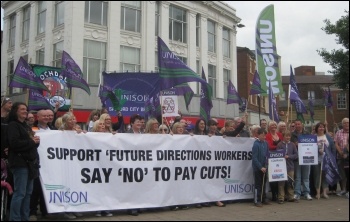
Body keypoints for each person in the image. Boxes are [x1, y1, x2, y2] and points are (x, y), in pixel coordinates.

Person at [7, 102, 40, 221]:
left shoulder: (26, 126)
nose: (25, 111)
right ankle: (15, 218)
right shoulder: (13, 125)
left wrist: (36, 141)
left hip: (30, 164)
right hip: (20, 163)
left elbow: (32, 143)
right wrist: (32, 142)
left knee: (28, 194)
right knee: (20, 193)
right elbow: (14, 143)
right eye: (22, 109)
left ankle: (24, 217)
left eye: (26, 109)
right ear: (15, 111)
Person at [312, 122, 335, 200]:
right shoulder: (313, 137)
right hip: (316, 159)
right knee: (317, 176)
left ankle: (324, 192)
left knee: (325, 175)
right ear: (317, 129)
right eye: (320, 127)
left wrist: (332, 158)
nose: (321, 128)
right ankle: (318, 192)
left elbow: (332, 148)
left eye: (323, 127)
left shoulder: (328, 137)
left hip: (327, 159)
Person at [291, 119, 313, 201]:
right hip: (297, 158)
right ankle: (297, 193)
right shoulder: (292, 135)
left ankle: (306, 193)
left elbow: (311, 144)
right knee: (297, 177)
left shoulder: (307, 133)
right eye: (296, 124)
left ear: (302, 125)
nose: (297, 125)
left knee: (306, 177)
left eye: (298, 124)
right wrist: (295, 144)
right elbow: (291, 146)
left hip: (306, 158)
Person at [276, 130, 298, 203]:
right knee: (281, 183)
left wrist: (289, 156)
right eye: (286, 136)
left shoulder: (292, 145)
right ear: (283, 136)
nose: (288, 137)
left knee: (290, 182)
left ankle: (291, 196)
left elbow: (296, 155)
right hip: (281, 167)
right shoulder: (279, 144)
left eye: (289, 136)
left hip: (290, 166)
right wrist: (282, 156)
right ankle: (281, 197)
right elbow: (277, 154)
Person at [252, 128, 271, 207]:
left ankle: (264, 198)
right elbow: (254, 158)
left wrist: (267, 163)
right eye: (262, 135)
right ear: (258, 135)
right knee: (258, 184)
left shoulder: (266, 143)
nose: (264, 137)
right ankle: (257, 200)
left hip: (265, 167)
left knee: (264, 183)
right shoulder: (256, 144)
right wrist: (260, 167)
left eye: (265, 135)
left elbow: (267, 154)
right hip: (258, 168)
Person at [265, 120, 283, 201]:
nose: (273, 127)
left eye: (275, 125)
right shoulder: (267, 135)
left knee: (280, 176)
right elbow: (269, 146)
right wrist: (278, 147)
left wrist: (277, 147)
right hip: (271, 158)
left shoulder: (279, 134)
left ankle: (280, 194)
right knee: (273, 177)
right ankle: (274, 194)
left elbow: (283, 144)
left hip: (280, 158)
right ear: (269, 127)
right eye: (272, 125)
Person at [334, 117, 349, 197]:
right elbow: (336, 143)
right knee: (342, 174)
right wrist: (340, 152)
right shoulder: (338, 132)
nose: (347, 124)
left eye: (348, 122)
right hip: (341, 157)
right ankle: (343, 189)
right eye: (345, 123)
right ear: (342, 124)